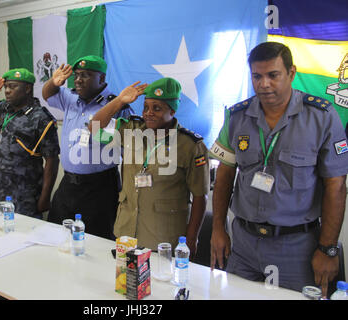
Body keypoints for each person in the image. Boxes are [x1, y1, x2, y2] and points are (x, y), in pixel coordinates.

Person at [209, 42, 348, 297]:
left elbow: (336, 186)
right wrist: (218, 228)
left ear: (291, 73)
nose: (264, 84)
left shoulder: (322, 117)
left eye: (273, 75)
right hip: (244, 245)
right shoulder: (237, 117)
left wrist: (328, 249)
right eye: (257, 76)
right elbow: (225, 175)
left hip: (297, 248)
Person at [89, 77, 209, 254]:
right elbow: (94, 127)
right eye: (146, 107)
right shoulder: (131, 129)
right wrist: (119, 100)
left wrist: (191, 239)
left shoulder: (190, 145)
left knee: (158, 281)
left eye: (157, 108)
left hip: (163, 237)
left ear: (173, 111)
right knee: (123, 280)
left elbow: (200, 196)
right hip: (126, 232)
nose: (149, 113)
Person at [42, 55, 133, 240]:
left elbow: (113, 142)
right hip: (68, 185)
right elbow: (47, 94)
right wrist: (54, 81)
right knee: (58, 236)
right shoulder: (70, 98)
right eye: (76, 75)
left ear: (101, 78)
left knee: (97, 242)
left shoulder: (117, 105)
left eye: (85, 75)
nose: (78, 80)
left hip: (100, 187)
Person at [0, 68, 60, 219]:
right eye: (6, 87)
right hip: (0, 188)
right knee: (2, 232)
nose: (7, 91)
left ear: (27, 88)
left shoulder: (40, 118)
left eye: (13, 86)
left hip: (25, 193)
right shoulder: (4, 108)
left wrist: (45, 197)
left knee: (25, 235)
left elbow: (52, 160)